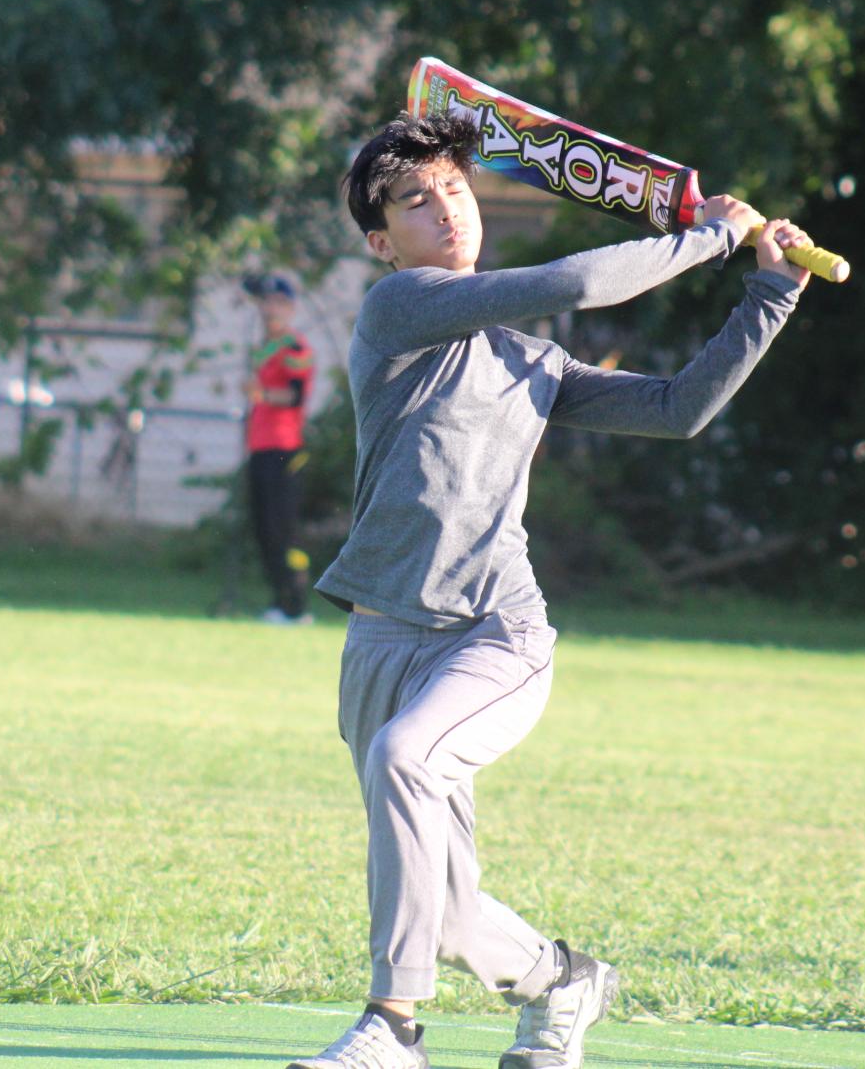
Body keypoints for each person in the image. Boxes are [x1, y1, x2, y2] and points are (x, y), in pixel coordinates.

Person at [288, 112, 812, 1069]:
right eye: (414, 201)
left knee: (408, 759)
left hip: (495, 637)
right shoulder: (398, 311)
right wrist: (704, 238)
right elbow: (570, 281)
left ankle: (392, 1031)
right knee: (438, 907)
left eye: (453, 188)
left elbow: (676, 409)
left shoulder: (531, 363)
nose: (443, 209)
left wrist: (768, 291)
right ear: (380, 242)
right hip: (378, 638)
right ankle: (563, 983)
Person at [242, 272, 316, 625]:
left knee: (283, 530)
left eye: (276, 303)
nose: (269, 310)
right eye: (265, 302)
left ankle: (296, 605)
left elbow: (296, 395)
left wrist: (261, 395)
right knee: (264, 530)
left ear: (289, 308)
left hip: (285, 448)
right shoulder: (264, 348)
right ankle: (278, 601)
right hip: (259, 446)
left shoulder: (294, 348)